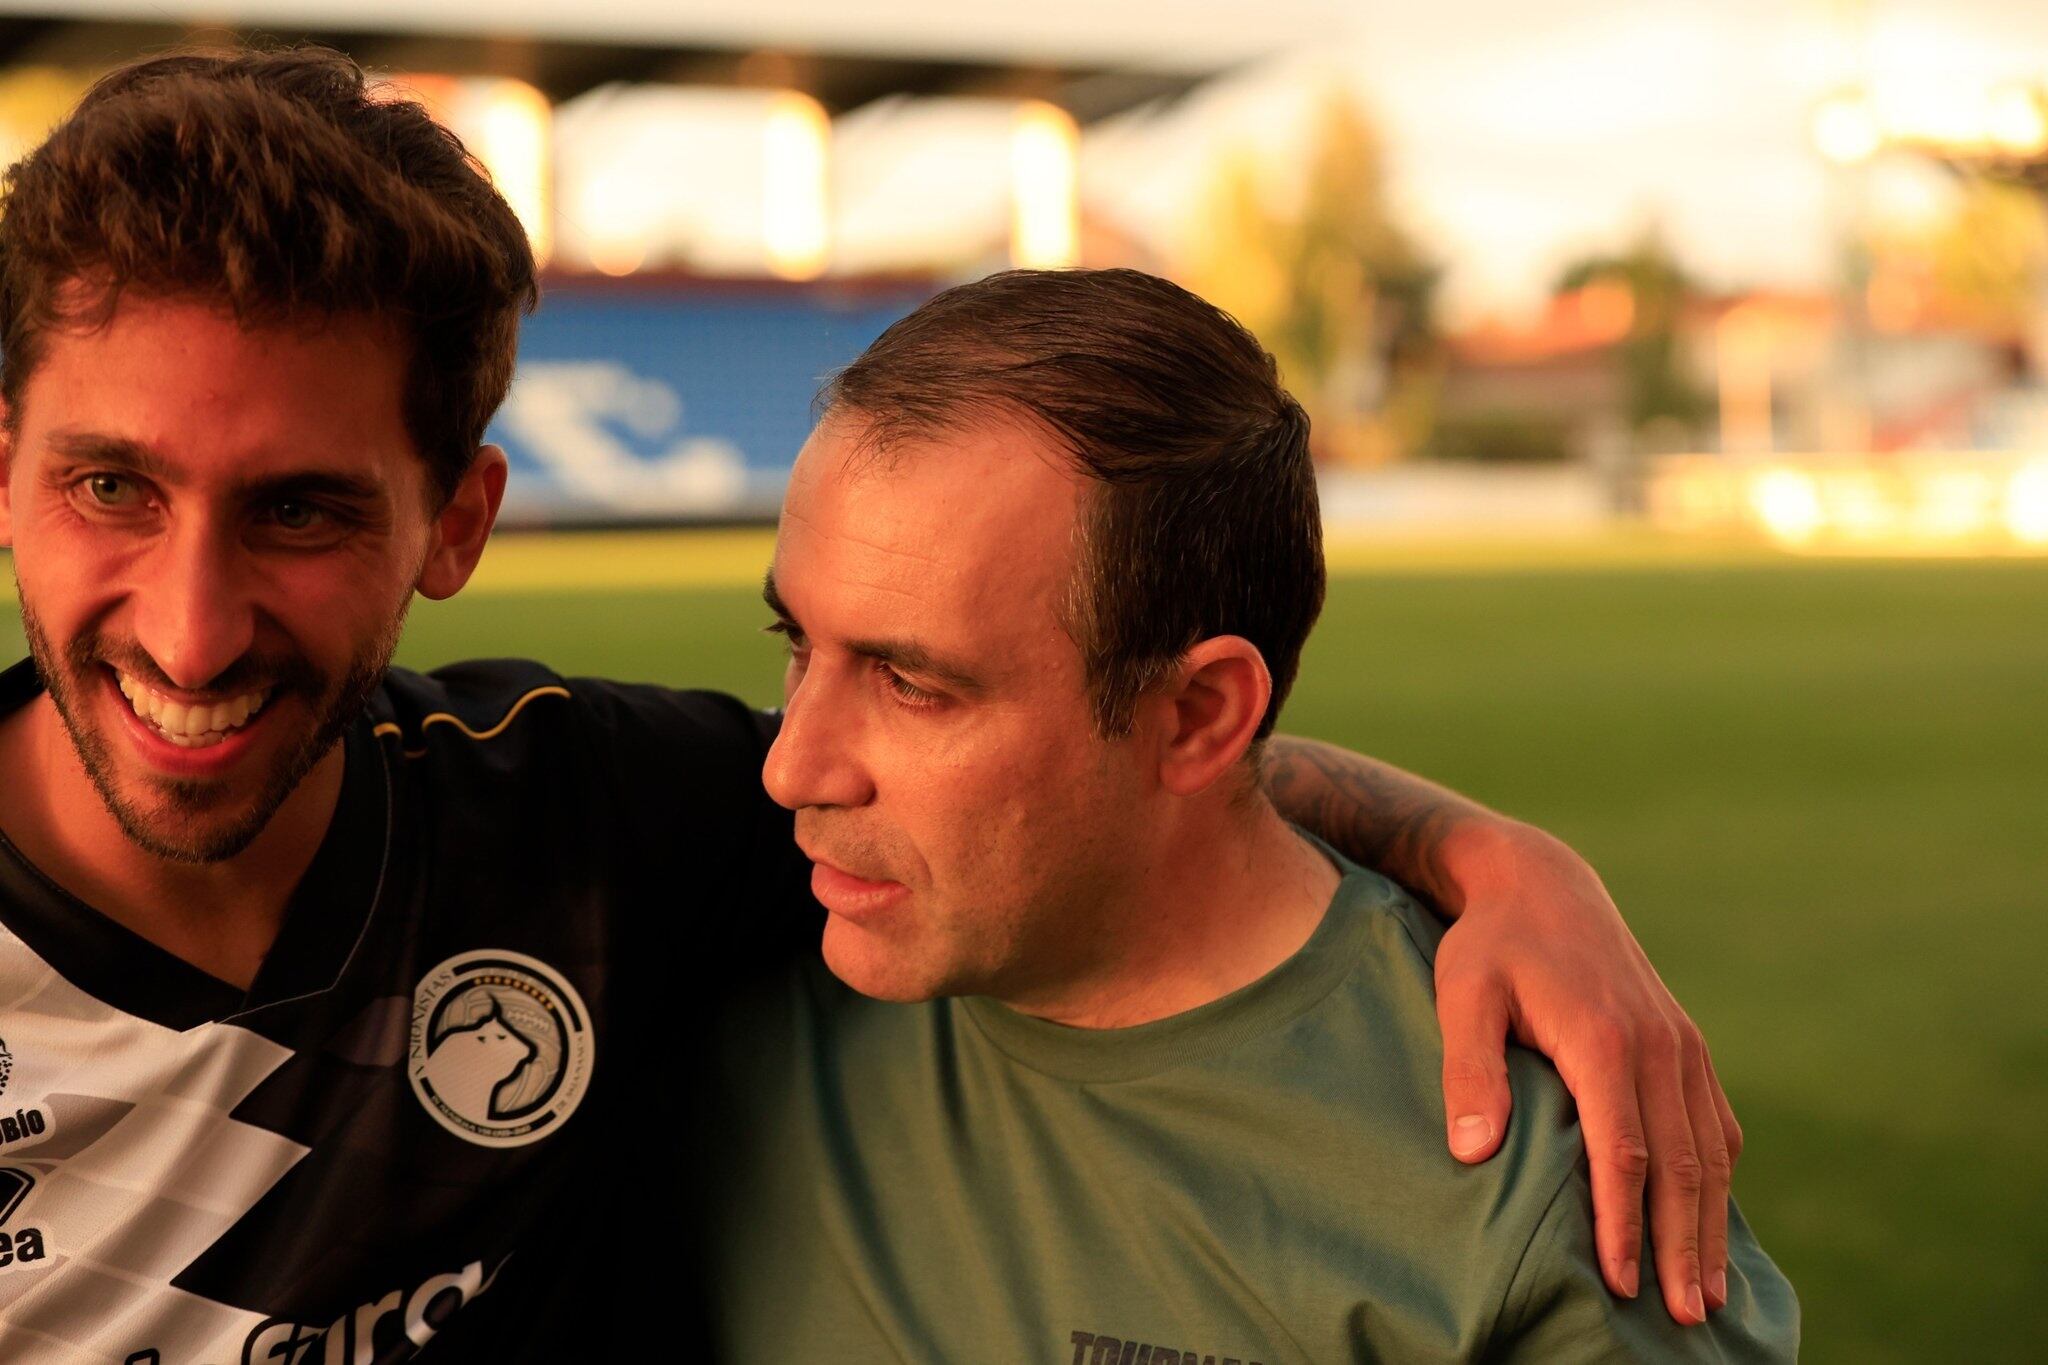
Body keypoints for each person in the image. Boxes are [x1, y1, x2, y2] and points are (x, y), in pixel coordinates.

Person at [0, 49, 1738, 1362]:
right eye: (108, 489)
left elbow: (1119, 783)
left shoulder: (601, 836)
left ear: (454, 526)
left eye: (300, 509)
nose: (194, 624)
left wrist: (1496, 864)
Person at [703, 268, 1799, 1361]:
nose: (792, 767)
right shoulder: (679, 911)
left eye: (913, 686)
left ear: (1195, 716)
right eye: (795, 642)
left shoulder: (1517, 1188)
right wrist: (1490, 851)